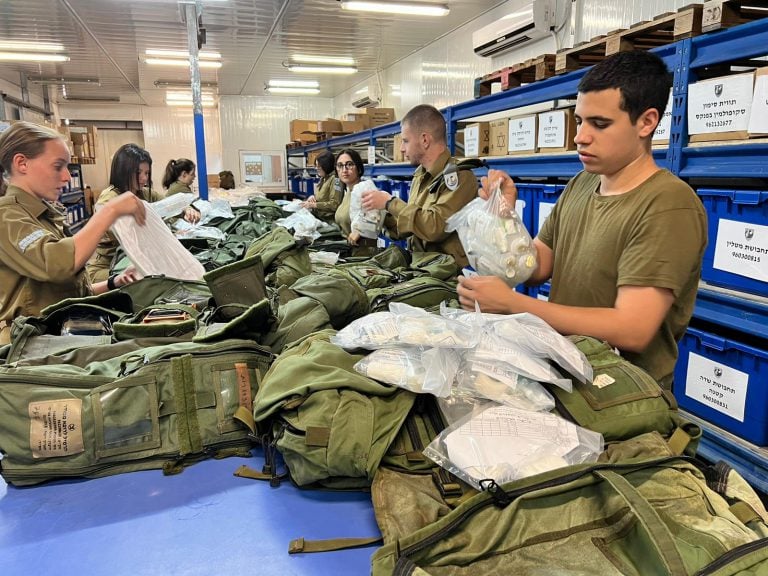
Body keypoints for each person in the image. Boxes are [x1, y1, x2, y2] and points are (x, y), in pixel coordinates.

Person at [457, 50, 708, 389]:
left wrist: (513, 304)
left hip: (622, 398)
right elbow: (538, 267)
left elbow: (633, 328)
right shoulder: (583, 183)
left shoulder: (668, 205)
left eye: (600, 124)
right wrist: (504, 220)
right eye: (579, 121)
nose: (580, 137)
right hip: (566, 374)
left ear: (646, 122)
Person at [0, 121, 146, 344]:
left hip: (61, 335)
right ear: (22, 163)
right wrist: (110, 211)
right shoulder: (7, 217)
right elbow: (56, 264)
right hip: (32, 347)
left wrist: (114, 283)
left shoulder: (45, 216)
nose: (67, 177)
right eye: (58, 166)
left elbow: (66, 294)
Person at [361, 104, 477, 269]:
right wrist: (380, 216)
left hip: (445, 276)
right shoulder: (420, 176)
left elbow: (434, 227)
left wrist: (390, 203)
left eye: (406, 141)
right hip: (420, 267)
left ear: (424, 140)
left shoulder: (460, 175)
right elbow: (412, 225)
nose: (401, 149)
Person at [87, 143, 160, 283]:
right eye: (138, 173)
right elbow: (128, 232)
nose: (144, 178)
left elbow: (169, 203)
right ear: (123, 170)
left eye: (146, 173)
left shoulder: (143, 193)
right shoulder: (109, 199)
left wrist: (187, 208)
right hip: (108, 267)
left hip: (129, 262)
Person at [333, 148, 377, 255]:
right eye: (340, 165)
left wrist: (360, 231)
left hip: (363, 254)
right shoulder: (348, 191)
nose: (344, 169)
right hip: (348, 251)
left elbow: (376, 215)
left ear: (358, 168)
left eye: (349, 164)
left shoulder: (365, 189)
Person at [299, 150, 340, 222]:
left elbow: (334, 204)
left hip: (328, 220)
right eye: (316, 166)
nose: (316, 168)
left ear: (326, 166)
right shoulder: (323, 178)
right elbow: (323, 196)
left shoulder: (335, 180)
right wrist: (313, 197)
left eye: (319, 166)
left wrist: (314, 205)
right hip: (318, 217)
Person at [162, 157, 200, 224]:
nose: (195, 176)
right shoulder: (180, 188)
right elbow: (196, 205)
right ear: (184, 174)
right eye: (192, 174)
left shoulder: (177, 185)